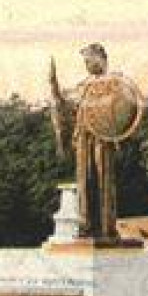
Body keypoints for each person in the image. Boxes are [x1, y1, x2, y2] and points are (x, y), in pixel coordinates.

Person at [49, 42, 121, 241]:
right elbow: (69, 107)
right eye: (85, 60)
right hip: (83, 137)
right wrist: (56, 92)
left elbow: (121, 109)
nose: (87, 64)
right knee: (84, 182)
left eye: (89, 59)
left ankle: (107, 228)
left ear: (101, 59)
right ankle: (86, 226)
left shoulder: (114, 82)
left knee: (104, 182)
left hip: (103, 138)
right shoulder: (83, 85)